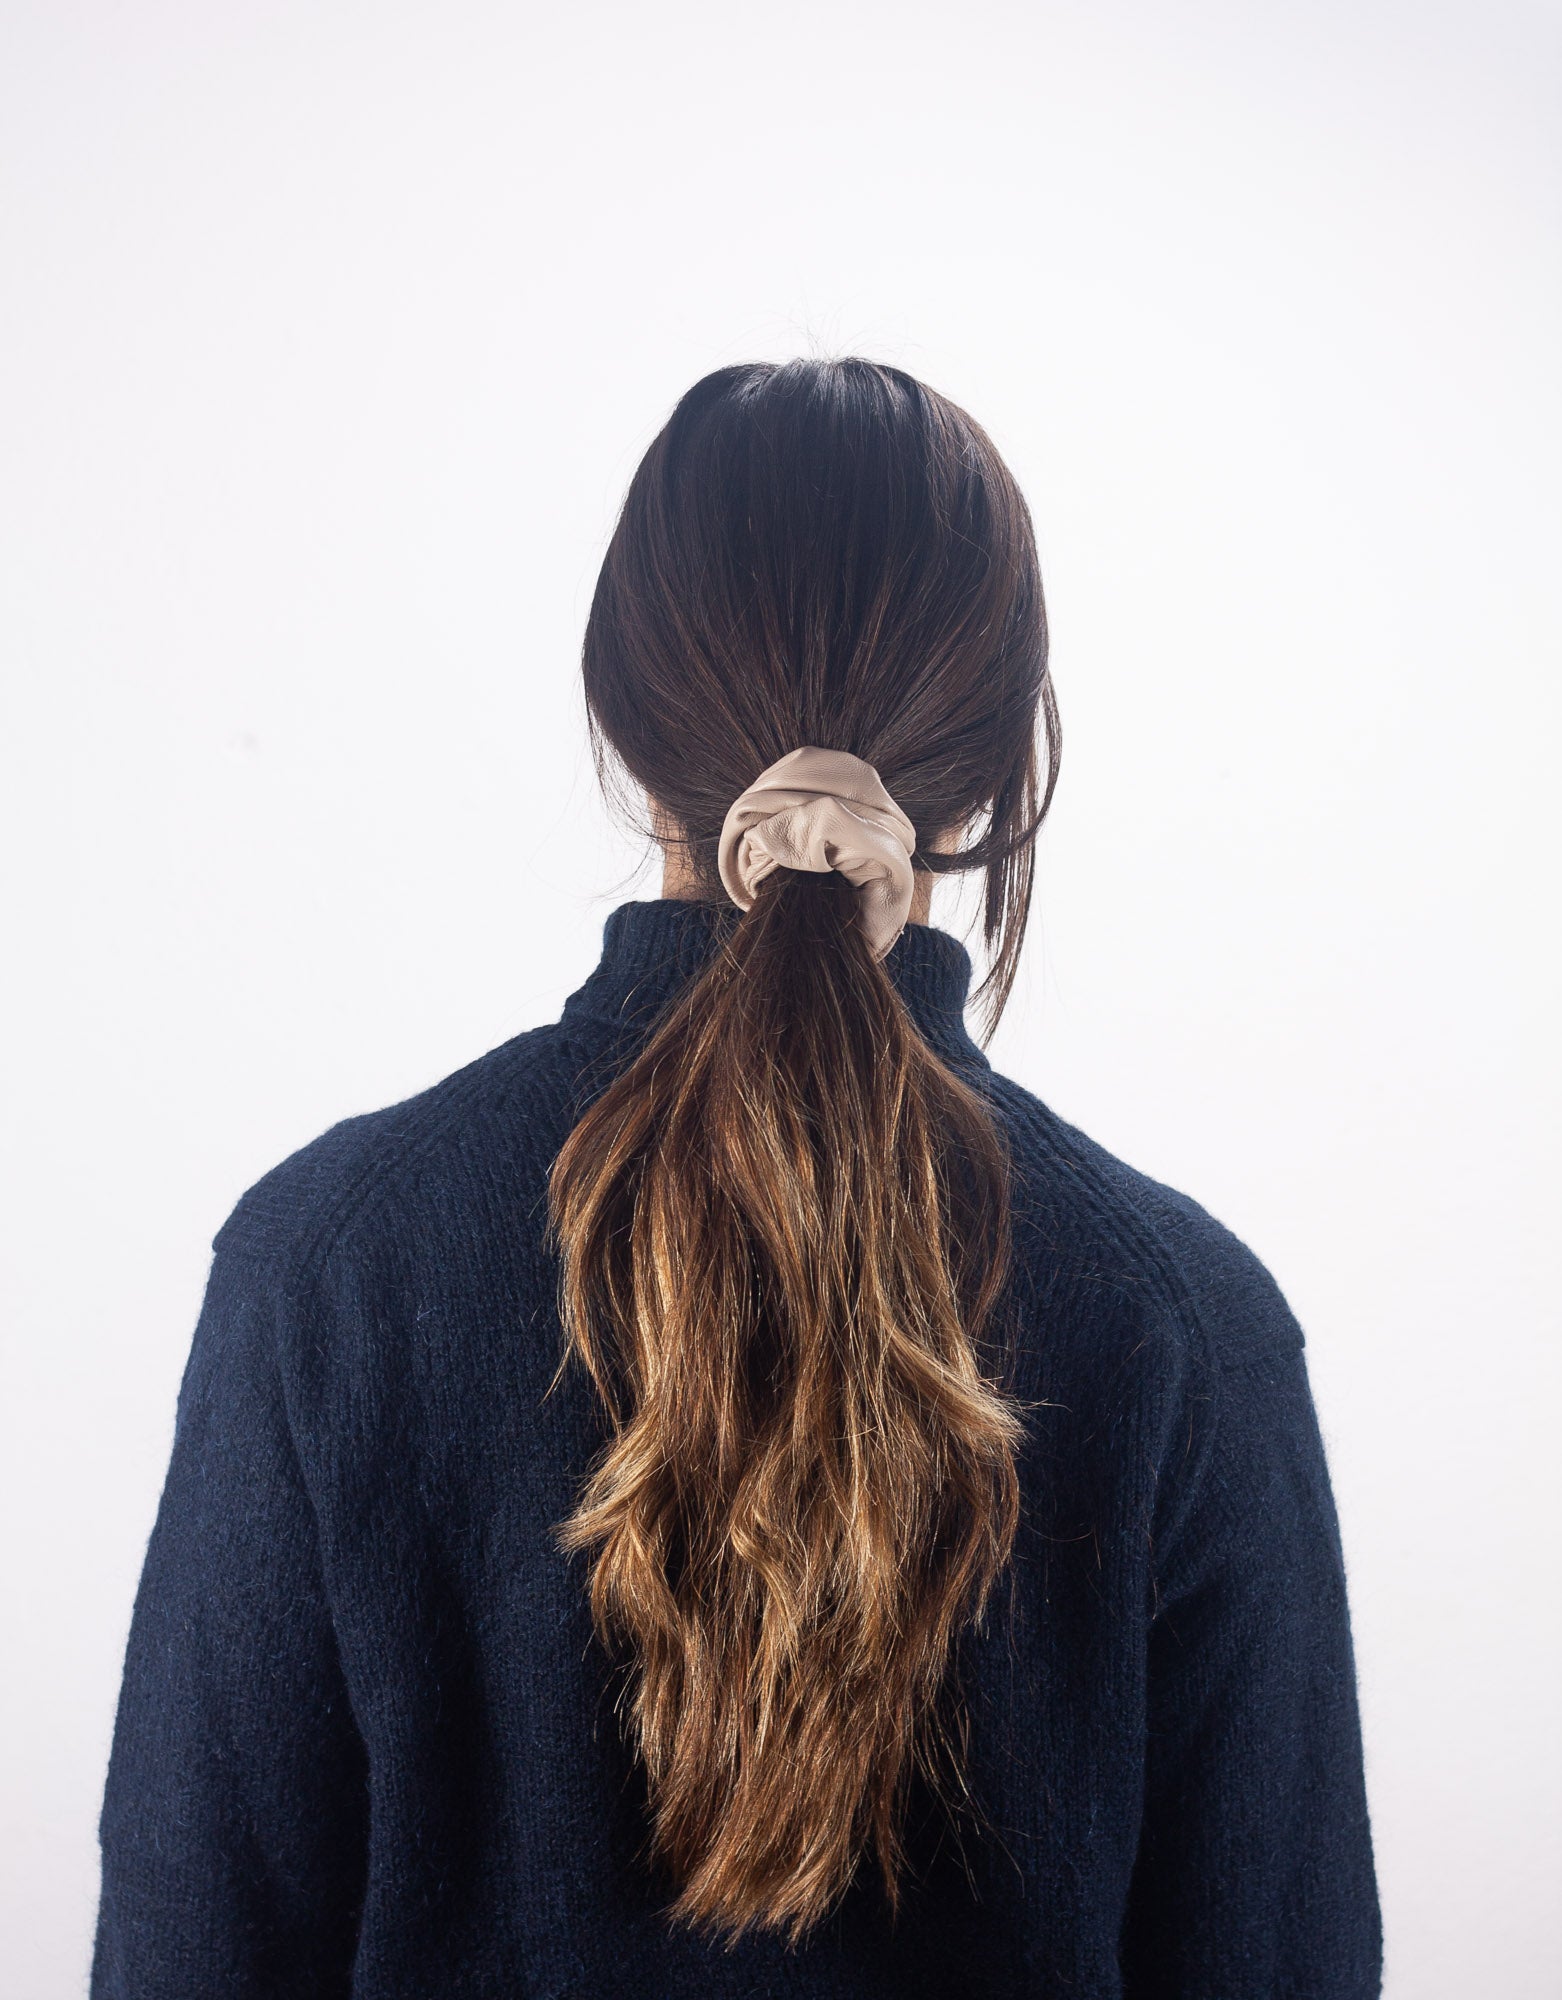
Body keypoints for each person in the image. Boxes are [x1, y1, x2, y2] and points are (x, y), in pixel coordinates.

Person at [92, 357, 1382, 1998]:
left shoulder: (326, 1268)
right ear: (986, 775)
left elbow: (192, 1956)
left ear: (629, 733)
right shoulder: (1184, 1323)